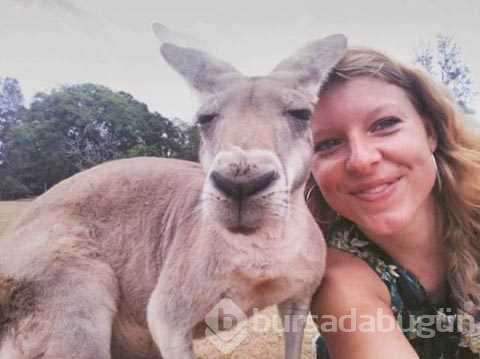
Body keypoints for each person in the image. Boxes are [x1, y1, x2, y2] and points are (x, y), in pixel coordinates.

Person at [307, 47, 480, 359]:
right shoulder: (338, 280)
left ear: (430, 132)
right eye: (328, 143)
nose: (361, 160)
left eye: (384, 124)